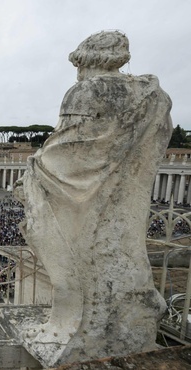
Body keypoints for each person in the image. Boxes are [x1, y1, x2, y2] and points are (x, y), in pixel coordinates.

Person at [14, 31, 171, 360]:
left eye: (78, 65)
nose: (77, 72)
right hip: (124, 204)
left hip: (81, 203)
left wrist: (32, 169)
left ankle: (71, 328)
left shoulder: (87, 91)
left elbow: (67, 151)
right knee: (121, 259)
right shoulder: (156, 99)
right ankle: (132, 326)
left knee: (70, 258)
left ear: (86, 60)